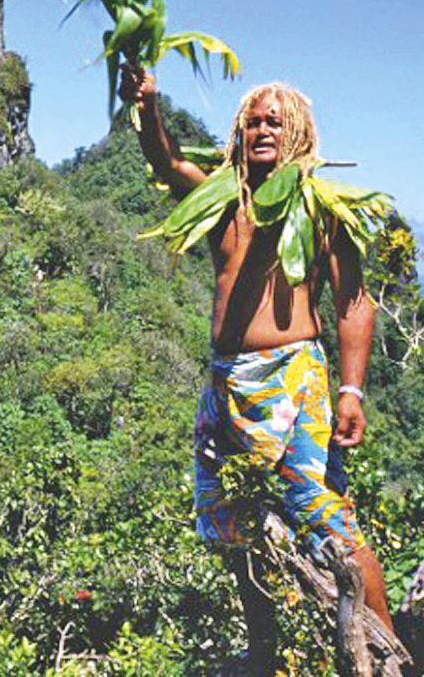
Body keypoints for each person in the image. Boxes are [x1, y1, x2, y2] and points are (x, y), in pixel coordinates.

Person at [119, 64, 395, 673]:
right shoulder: (223, 199)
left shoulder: (322, 208)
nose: (262, 129)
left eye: (275, 121)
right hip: (226, 383)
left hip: (293, 379)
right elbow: (167, 165)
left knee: (328, 519)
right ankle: (265, 652)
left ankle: (388, 654)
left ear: (297, 131)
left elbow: (352, 302)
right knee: (232, 520)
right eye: (252, 121)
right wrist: (148, 107)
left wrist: (351, 389)